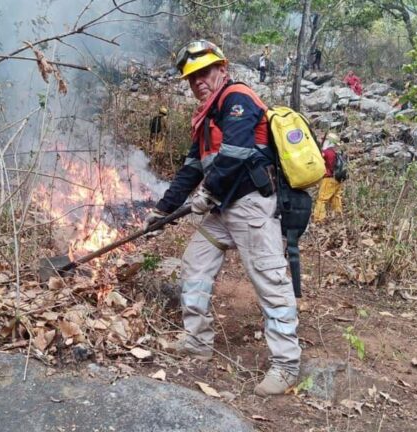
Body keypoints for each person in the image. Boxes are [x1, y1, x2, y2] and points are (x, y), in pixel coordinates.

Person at [144, 39, 301, 396]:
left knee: (271, 281)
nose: (198, 81)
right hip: (221, 212)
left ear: (222, 70)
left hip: (250, 207)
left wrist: (207, 194)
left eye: (204, 72)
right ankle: (197, 341)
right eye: (191, 77)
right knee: (194, 266)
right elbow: (190, 170)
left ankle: (286, 364)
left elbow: (236, 153)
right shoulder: (204, 118)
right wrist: (162, 211)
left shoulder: (237, 99)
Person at [313, 133, 344, 223]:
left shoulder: (326, 152)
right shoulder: (335, 152)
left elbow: (319, 159)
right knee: (336, 196)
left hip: (328, 178)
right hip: (337, 178)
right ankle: (338, 215)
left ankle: (319, 219)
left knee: (322, 199)